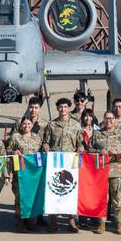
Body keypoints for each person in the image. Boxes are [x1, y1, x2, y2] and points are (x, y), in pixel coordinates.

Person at [42, 98, 84, 233]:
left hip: (70, 163)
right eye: (60, 107)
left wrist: (80, 148)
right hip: (55, 163)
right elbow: (46, 141)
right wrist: (46, 146)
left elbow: (80, 142)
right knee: (54, 190)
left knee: (70, 190)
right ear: (57, 108)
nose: (63, 109)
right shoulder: (51, 125)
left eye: (65, 107)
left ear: (69, 108)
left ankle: (71, 220)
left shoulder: (76, 125)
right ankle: (53, 221)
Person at [90, 111, 121, 234]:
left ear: (115, 120)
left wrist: (118, 152)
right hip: (101, 171)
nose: (109, 121)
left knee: (118, 199)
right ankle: (101, 224)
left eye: (112, 118)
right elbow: (89, 149)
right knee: (102, 199)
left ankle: (119, 224)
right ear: (103, 119)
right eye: (107, 118)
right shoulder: (97, 134)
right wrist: (99, 151)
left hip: (117, 171)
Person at [7, 116, 43, 233]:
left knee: (32, 197)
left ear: (32, 125)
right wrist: (13, 152)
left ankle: (31, 221)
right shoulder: (15, 137)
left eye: (29, 124)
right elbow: (6, 151)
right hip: (20, 173)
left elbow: (41, 152)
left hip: (33, 173)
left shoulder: (37, 138)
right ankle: (20, 222)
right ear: (21, 125)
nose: (26, 126)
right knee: (20, 197)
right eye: (24, 124)